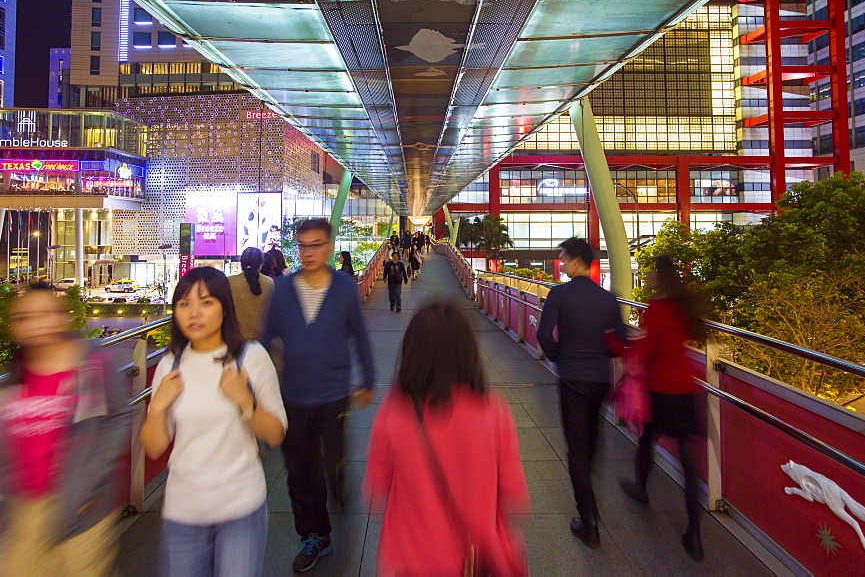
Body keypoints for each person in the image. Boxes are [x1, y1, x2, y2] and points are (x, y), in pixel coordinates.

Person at [142, 267, 287, 577]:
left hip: (240, 508)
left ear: (224, 307)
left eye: (206, 302)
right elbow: (154, 447)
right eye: (184, 304)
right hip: (183, 511)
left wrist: (245, 402)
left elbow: (275, 435)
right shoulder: (171, 363)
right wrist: (157, 409)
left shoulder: (251, 358)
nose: (194, 312)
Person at [365, 302, 529, 575]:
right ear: (468, 351)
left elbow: (376, 488)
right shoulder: (492, 410)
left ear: (412, 352)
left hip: (409, 556)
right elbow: (515, 492)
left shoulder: (395, 410)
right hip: (471, 557)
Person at [0, 284, 131, 576]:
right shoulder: (14, 375)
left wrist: (91, 480)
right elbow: (1, 445)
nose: (36, 324)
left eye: (45, 314)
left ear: (62, 317)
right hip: (23, 509)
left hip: (79, 508)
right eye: (25, 317)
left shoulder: (91, 365)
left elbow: (119, 416)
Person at [261, 218, 375, 573]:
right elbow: (266, 340)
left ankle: (336, 474)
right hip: (292, 395)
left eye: (315, 245)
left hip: (334, 392)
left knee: (330, 457)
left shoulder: (343, 287)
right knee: (299, 470)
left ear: (328, 246)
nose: (308, 252)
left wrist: (367, 378)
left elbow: (358, 333)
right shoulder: (282, 289)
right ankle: (314, 534)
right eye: (302, 245)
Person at [536, 237, 627, 549]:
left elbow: (543, 335)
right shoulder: (608, 299)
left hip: (573, 378)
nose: (560, 264)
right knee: (591, 439)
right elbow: (622, 339)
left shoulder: (559, 294)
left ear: (576, 261)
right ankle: (587, 489)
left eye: (563, 258)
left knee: (576, 448)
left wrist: (559, 355)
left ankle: (588, 521)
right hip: (601, 378)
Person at [620, 255, 707, 562]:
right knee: (689, 464)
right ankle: (694, 532)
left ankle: (641, 489)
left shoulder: (657, 309)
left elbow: (647, 349)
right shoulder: (684, 307)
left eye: (650, 272)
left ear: (660, 276)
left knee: (646, 441)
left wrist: (624, 347)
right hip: (685, 390)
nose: (648, 277)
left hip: (660, 390)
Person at [229, 247, 274, 341]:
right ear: (261, 264)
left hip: (235, 342)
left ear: (241, 262)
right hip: (262, 342)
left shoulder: (229, 282)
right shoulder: (269, 283)